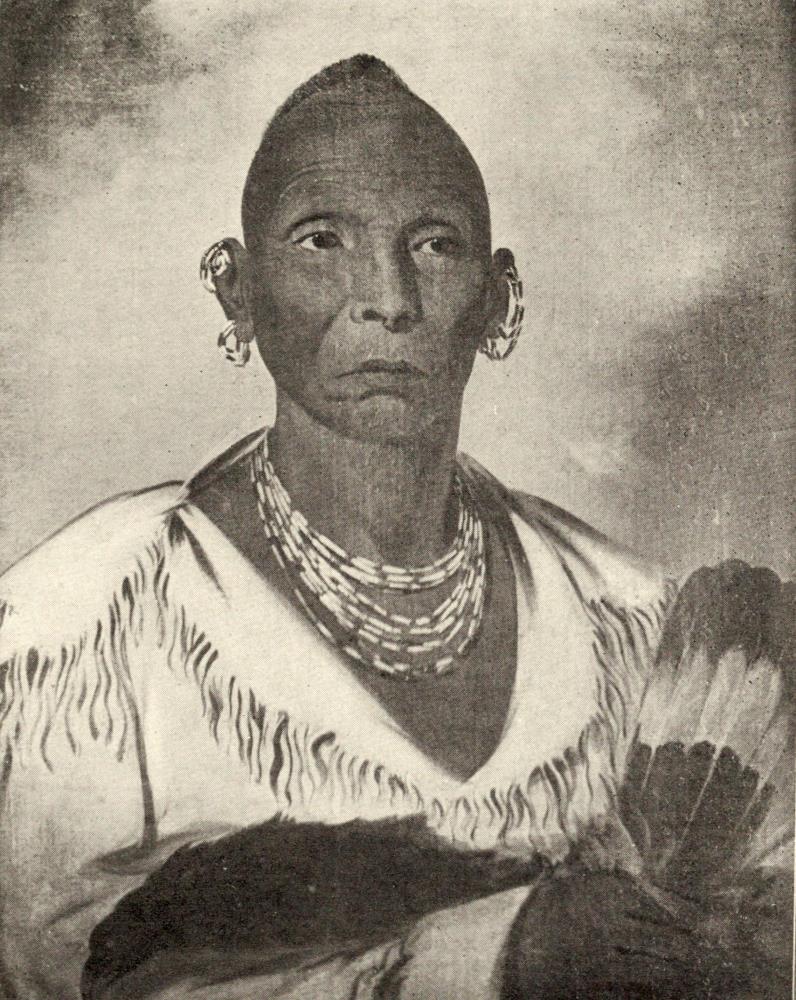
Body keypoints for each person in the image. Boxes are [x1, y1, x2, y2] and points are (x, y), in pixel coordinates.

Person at [0, 55, 791, 999]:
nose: (388, 297)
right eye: (322, 240)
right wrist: (494, 957)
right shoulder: (81, 624)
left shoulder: (625, 616)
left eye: (434, 245)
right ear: (235, 289)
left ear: (498, 298)